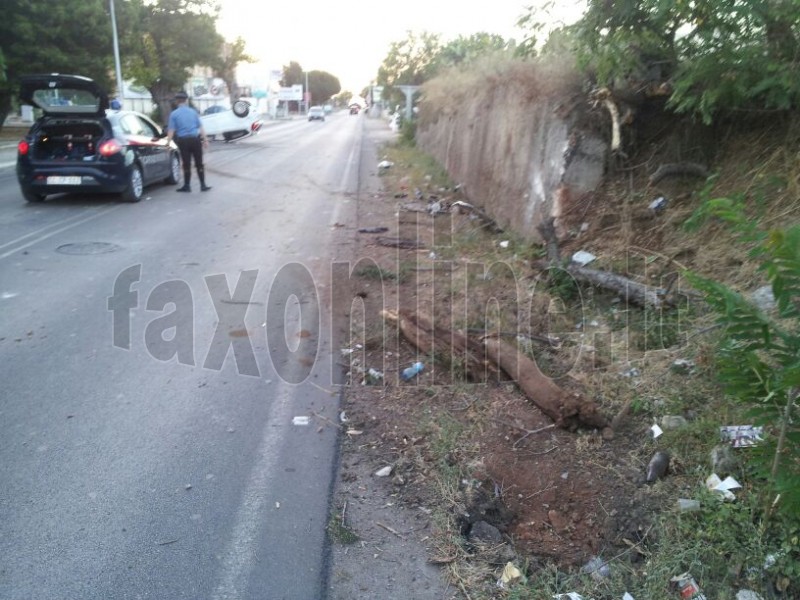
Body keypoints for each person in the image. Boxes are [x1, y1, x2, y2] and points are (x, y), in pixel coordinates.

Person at [167, 91, 211, 192]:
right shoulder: (193, 112)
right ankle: (203, 185)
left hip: (183, 141)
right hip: (195, 140)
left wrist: (168, 143)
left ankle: (187, 186)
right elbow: (201, 127)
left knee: (186, 163)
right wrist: (205, 140)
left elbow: (171, 130)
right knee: (199, 163)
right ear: (186, 101)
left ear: (177, 101)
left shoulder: (174, 114)